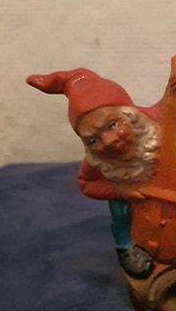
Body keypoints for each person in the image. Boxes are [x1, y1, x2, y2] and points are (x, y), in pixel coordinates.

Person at [27, 67, 165, 279]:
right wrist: (119, 190)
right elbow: (86, 183)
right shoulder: (99, 161)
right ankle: (126, 247)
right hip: (130, 197)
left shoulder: (153, 124)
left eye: (113, 124)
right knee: (121, 213)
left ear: (130, 114)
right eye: (93, 140)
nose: (108, 141)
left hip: (167, 191)